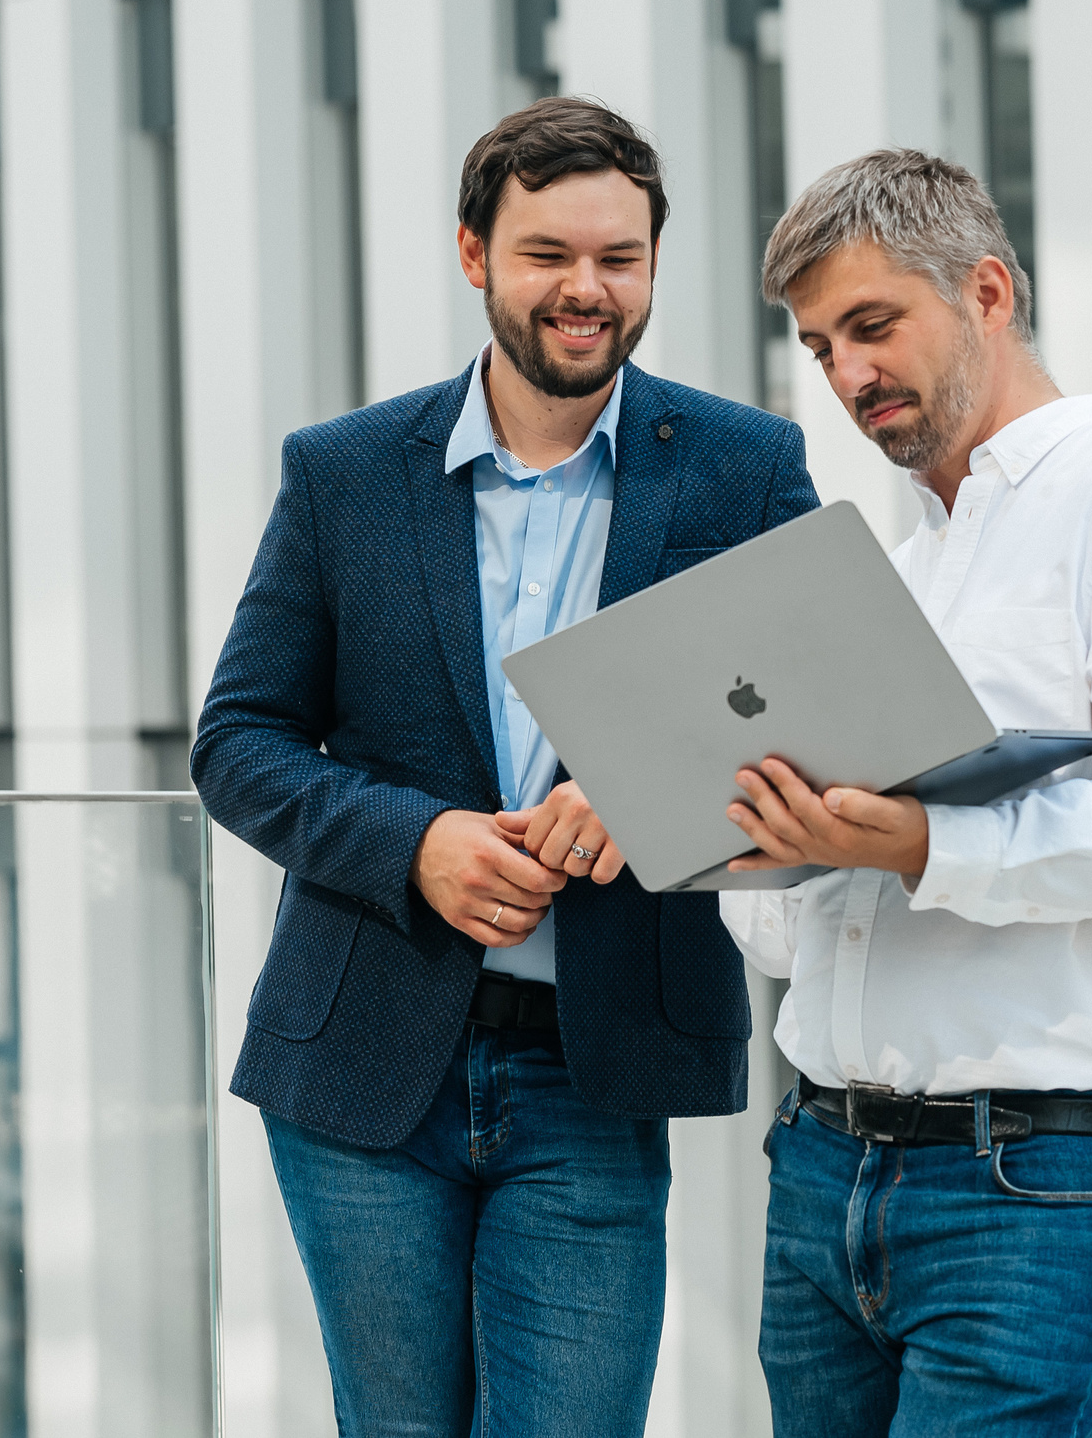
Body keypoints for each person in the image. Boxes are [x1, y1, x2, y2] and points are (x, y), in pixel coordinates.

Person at [190, 98, 820, 1437]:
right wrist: (413, 841)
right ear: (475, 254)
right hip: (362, 1068)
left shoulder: (743, 468)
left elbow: (819, 708)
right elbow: (237, 741)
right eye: (548, 254)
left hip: (595, 1077)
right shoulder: (346, 475)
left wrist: (661, 776)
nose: (587, 290)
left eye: (620, 258)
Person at [719, 149, 1092, 1436]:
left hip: (1031, 1177)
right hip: (820, 1163)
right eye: (820, 347)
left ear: (987, 291)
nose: (849, 374)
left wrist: (931, 842)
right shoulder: (902, 567)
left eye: (873, 325)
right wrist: (761, 855)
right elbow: (813, 912)